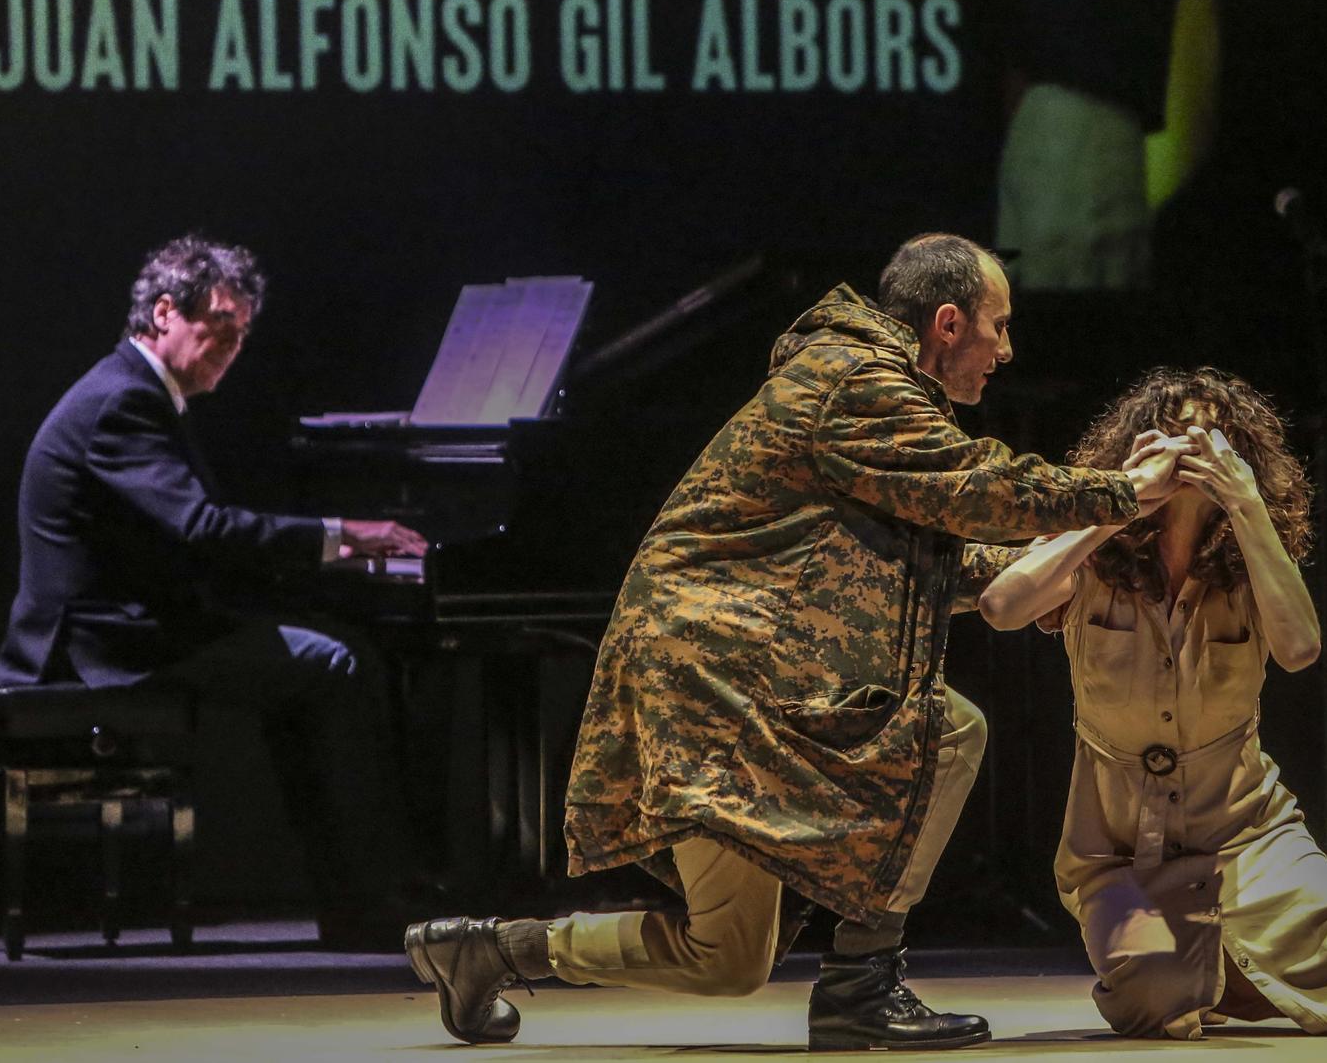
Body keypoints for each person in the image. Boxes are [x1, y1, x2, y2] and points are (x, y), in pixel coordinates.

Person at [403, 234, 1184, 1050]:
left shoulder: (871, 392)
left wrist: (1076, 553)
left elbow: (919, 571)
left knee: (729, 956)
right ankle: (861, 979)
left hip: (745, 670)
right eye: (998, 324)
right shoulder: (860, 383)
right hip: (716, 675)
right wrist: (1125, 491)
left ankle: (489, 949)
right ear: (947, 322)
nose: (1007, 348)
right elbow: (982, 486)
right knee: (946, 729)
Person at [978, 367, 1327, 1038]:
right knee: (1152, 1000)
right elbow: (1001, 605)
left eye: (1210, 435)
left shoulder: (1250, 557)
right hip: (1120, 852)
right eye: (1175, 433)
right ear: (1138, 449)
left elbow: (1300, 647)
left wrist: (1248, 505)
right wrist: (1117, 505)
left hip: (1246, 836)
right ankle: (1243, 971)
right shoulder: (1096, 550)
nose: (1192, 448)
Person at [0, 233, 432, 949]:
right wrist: (340, 535)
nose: (232, 345)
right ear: (163, 313)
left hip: (127, 624)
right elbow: (202, 525)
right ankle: (372, 898)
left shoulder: (134, 390)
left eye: (243, 332)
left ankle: (358, 894)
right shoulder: (125, 400)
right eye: (219, 325)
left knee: (313, 658)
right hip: (102, 645)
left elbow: (182, 538)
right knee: (336, 664)